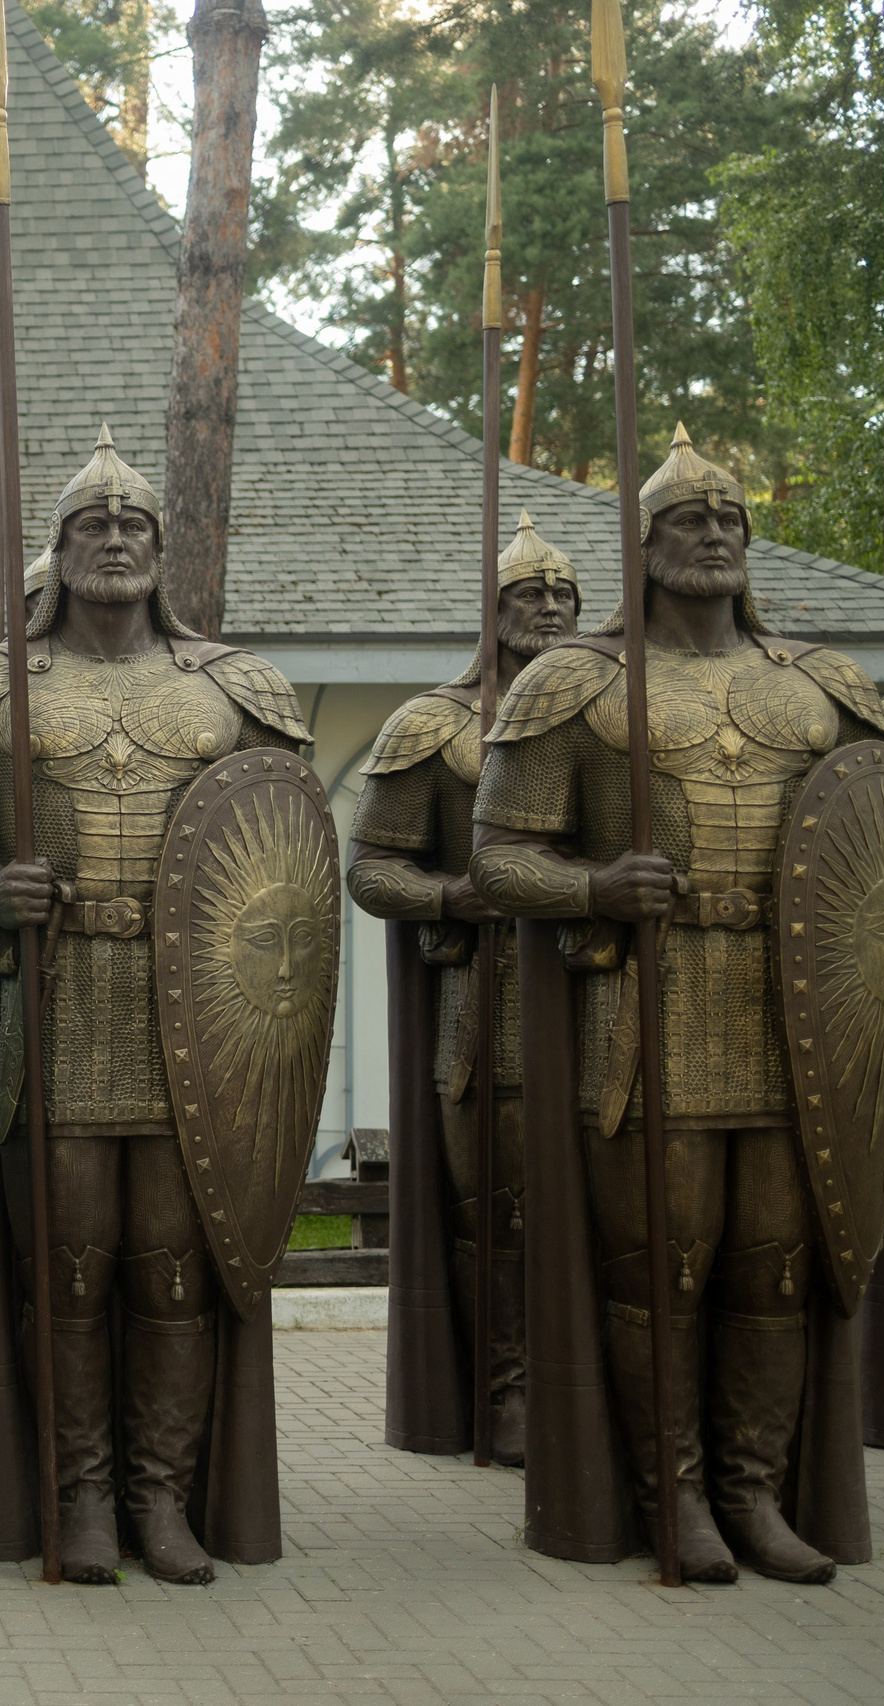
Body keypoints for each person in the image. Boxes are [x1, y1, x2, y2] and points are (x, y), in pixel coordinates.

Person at [0, 427, 324, 1583]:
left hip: (205, 1028)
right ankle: (76, 1494)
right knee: (69, 1263)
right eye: (92, 524)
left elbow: (289, 848)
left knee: (172, 1265)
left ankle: (160, 1497)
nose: (115, 536)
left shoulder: (234, 689)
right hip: (60, 1017)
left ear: (162, 550)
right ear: (59, 548)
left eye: (133, 524)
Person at [471, 426, 884, 1582]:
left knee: (777, 1267)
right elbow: (500, 855)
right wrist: (595, 882)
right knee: (661, 1266)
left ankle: (755, 1493)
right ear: (642, 545)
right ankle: (676, 1495)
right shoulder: (580, 682)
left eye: (728, 520)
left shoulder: (820, 684)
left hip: (795, 1016)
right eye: (686, 522)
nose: (711, 536)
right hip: (646, 1018)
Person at [346, 512, 580, 1465]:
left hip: (609, 988)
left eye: (566, 594)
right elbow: (371, 870)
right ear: (493, 611)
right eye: (532, 595)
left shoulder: (614, 707)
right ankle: (507, 1387)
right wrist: (456, 893)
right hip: (491, 1003)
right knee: (504, 1210)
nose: (554, 610)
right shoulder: (435, 725)